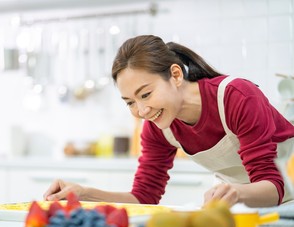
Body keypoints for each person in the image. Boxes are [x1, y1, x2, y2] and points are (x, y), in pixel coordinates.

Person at [44, 35, 294, 207]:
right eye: (130, 102)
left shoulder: (236, 97)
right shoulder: (157, 128)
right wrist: (84, 193)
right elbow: (144, 198)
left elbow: (273, 185)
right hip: (254, 208)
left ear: (175, 74)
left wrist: (236, 192)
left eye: (146, 94)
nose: (141, 110)